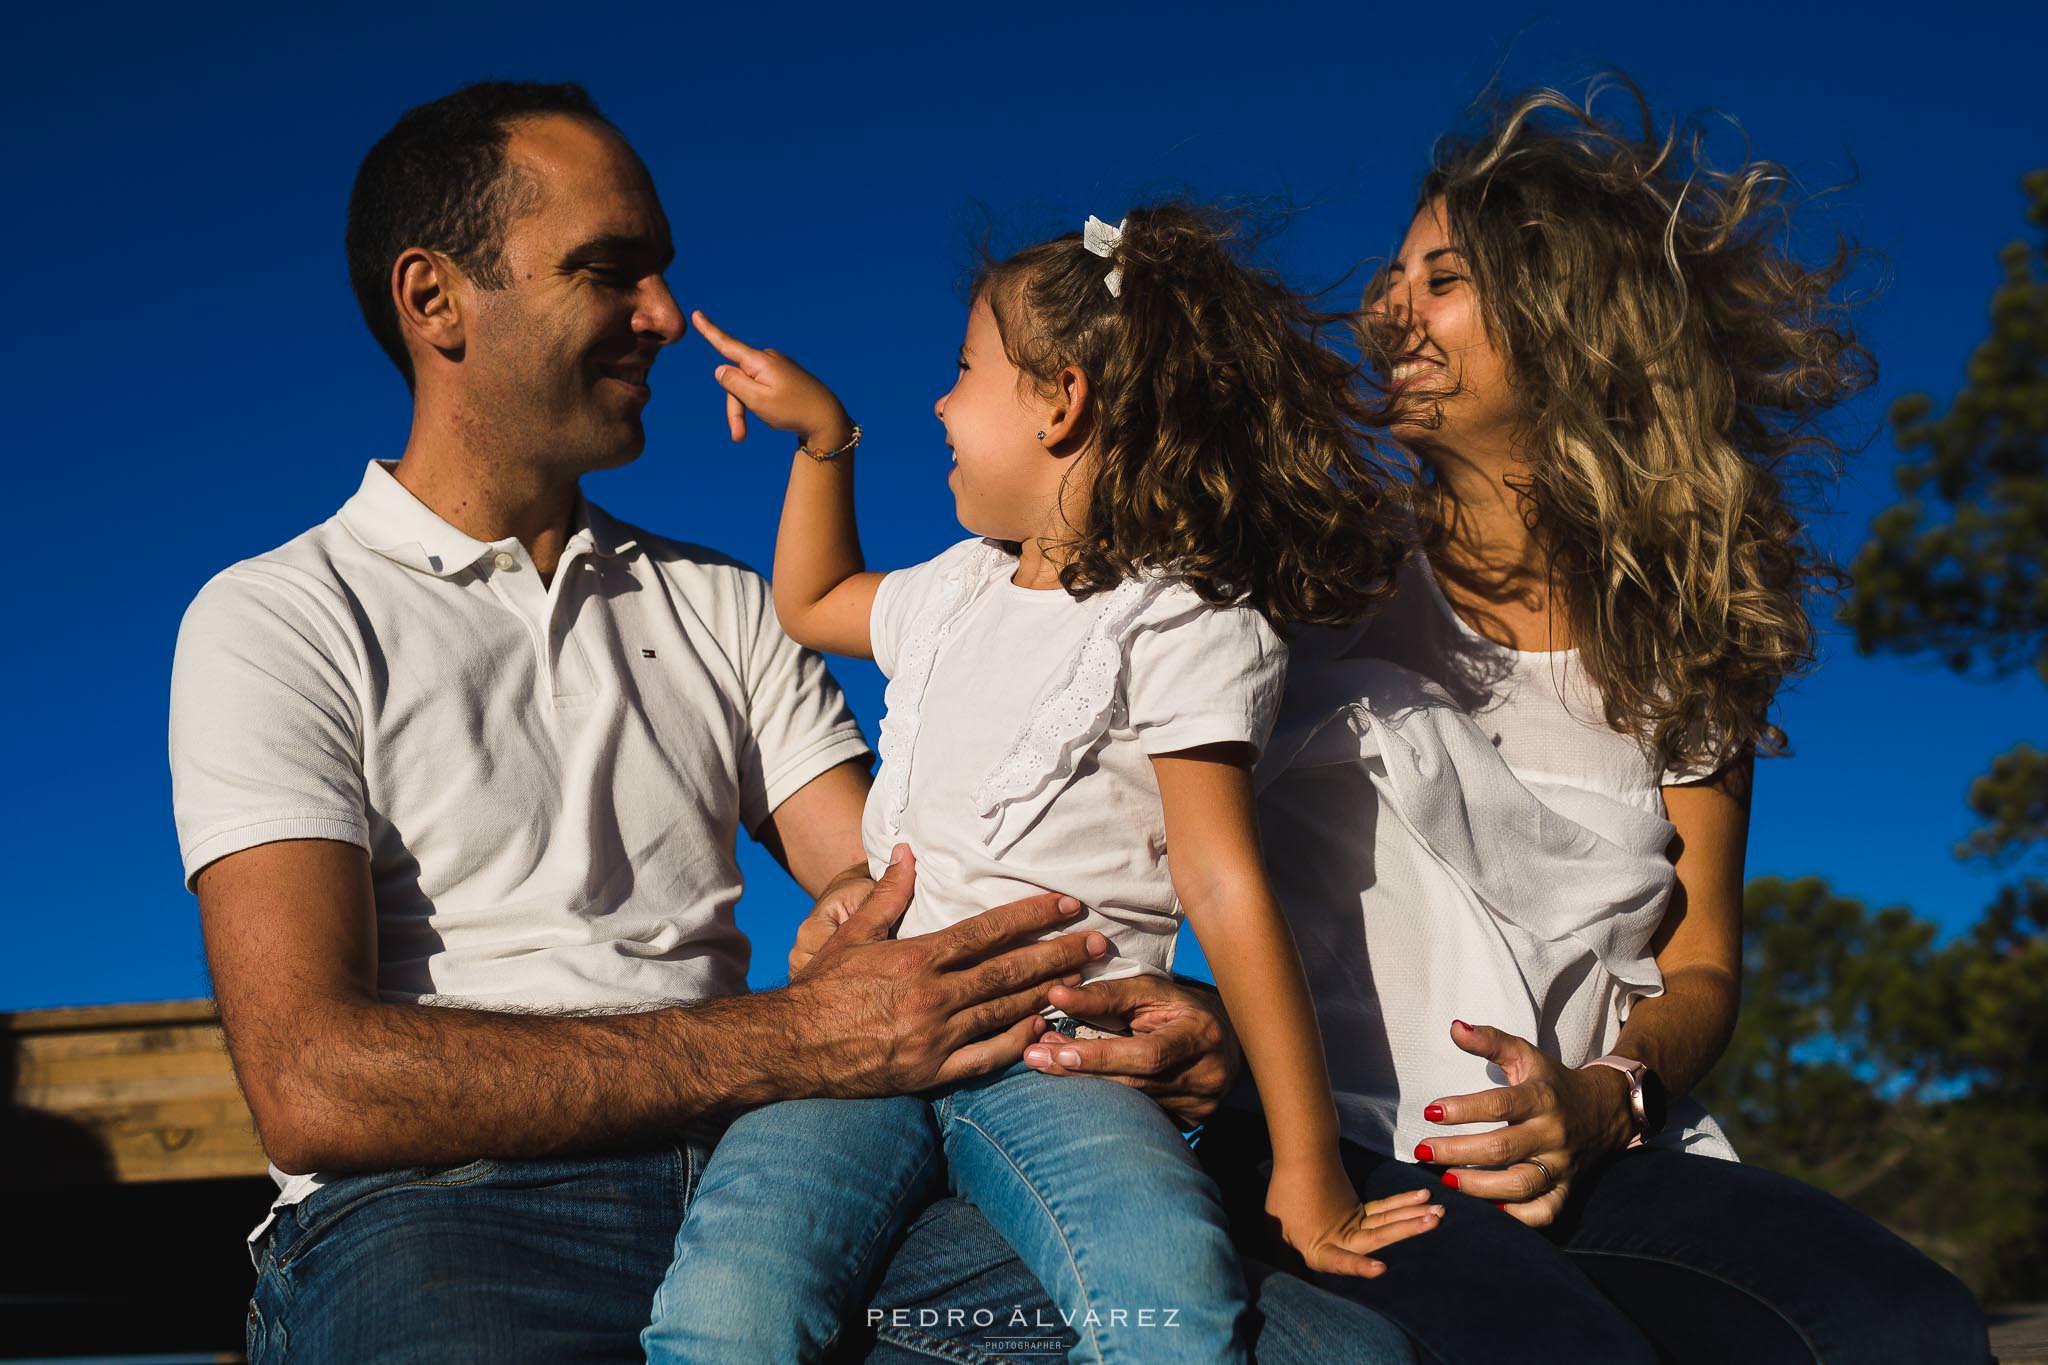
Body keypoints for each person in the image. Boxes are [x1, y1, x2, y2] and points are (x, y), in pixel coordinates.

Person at [168, 81, 1292, 1363]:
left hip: (767, 1176)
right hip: (443, 1213)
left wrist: (1131, 1009)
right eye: (612, 272)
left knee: (1299, 1345)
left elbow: (897, 884)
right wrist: (796, 1036)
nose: (661, 316)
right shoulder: (277, 617)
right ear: (435, 301)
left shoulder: (716, 600)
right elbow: (311, 1083)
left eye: (660, 273)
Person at [1036, 81, 1985, 1364]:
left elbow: (1699, 966)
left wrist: (1604, 1099)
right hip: (1344, 1142)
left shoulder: (1689, 636)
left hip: (1596, 1153)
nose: (1388, 310)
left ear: (1569, 327)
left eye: (1440, 279)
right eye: (1393, 277)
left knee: (1903, 1329)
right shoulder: (1308, 572)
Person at [641, 207, 1443, 1364]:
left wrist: (1306, 1168)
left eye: (963, 372)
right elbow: (812, 604)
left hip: (1061, 1057)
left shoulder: (1184, 620)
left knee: (1167, 1298)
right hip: (854, 1043)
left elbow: (1223, 889)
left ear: (1060, 401)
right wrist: (824, 442)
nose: (938, 405)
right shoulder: (949, 592)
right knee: (729, 1303)